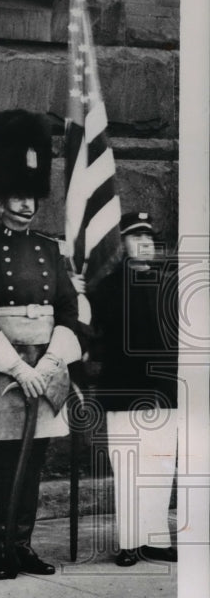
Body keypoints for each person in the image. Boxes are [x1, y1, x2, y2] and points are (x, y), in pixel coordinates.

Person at [0, 109, 82, 580]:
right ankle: (0, 552)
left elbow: (69, 312)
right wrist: (18, 368)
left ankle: (24, 545)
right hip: (3, 374)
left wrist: (51, 361)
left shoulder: (52, 251)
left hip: (45, 369)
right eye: (16, 196)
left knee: (34, 462)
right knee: (0, 464)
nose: (27, 205)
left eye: (32, 196)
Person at [89, 212, 179, 566]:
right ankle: (129, 541)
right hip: (124, 391)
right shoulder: (107, 289)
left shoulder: (169, 284)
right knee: (129, 467)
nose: (144, 243)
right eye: (135, 237)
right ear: (123, 244)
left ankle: (155, 538)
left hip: (164, 390)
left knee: (160, 466)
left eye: (149, 238)